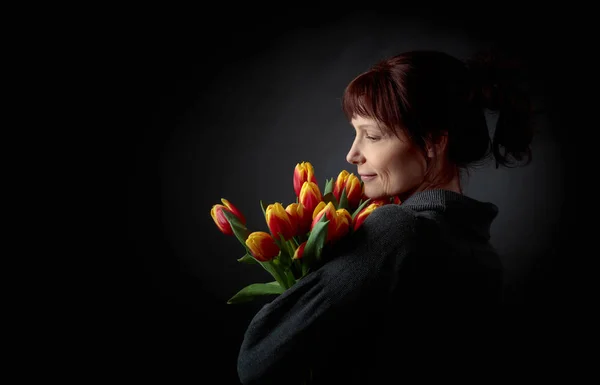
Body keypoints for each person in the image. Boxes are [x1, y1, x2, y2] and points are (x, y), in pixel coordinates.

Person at [236, 49, 534, 384]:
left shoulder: (397, 231)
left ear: (434, 142)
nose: (353, 154)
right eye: (355, 133)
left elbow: (258, 358)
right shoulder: (483, 254)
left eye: (373, 136)